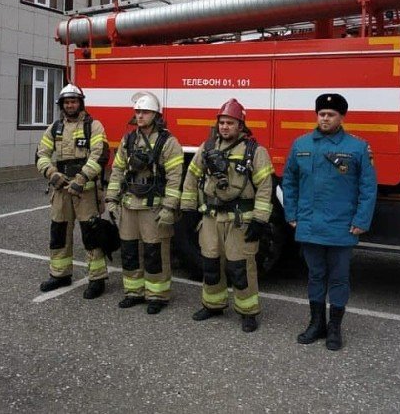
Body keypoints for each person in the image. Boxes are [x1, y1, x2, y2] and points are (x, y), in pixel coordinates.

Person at [282, 93, 377, 350]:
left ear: (342, 117)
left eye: (331, 114)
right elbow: (288, 181)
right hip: (309, 225)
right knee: (315, 276)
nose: (325, 118)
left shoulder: (357, 148)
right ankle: (316, 324)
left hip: (341, 227)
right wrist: (290, 214)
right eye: (322, 113)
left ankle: (334, 328)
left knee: (338, 278)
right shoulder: (301, 144)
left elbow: (368, 187)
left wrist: (361, 220)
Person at [181, 99, 274, 333]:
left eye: (230, 123)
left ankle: (248, 312)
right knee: (210, 263)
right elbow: (192, 177)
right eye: (222, 122)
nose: (224, 127)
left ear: (241, 126)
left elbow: (265, 187)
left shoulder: (255, 152)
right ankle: (213, 305)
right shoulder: (208, 147)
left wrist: (260, 220)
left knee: (241, 267)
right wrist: (188, 209)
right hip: (211, 218)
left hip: (239, 220)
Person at [105, 92, 183, 314]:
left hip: (153, 207)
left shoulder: (168, 142)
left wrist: (169, 207)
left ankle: (157, 295)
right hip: (129, 205)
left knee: (154, 252)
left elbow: (175, 177)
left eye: (145, 112)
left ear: (156, 115)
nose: (140, 116)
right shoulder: (128, 140)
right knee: (129, 251)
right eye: (137, 112)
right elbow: (117, 170)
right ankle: (133, 292)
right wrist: (111, 199)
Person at [36, 84, 109, 299]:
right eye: (67, 102)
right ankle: (60, 274)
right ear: (62, 105)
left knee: (91, 234)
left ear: (80, 103)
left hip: (85, 191)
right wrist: (52, 174)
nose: (70, 105)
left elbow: (100, 155)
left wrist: (82, 178)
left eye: (74, 101)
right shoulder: (55, 128)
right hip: (61, 190)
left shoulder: (93, 126)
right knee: (58, 232)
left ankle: (97, 279)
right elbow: (41, 154)